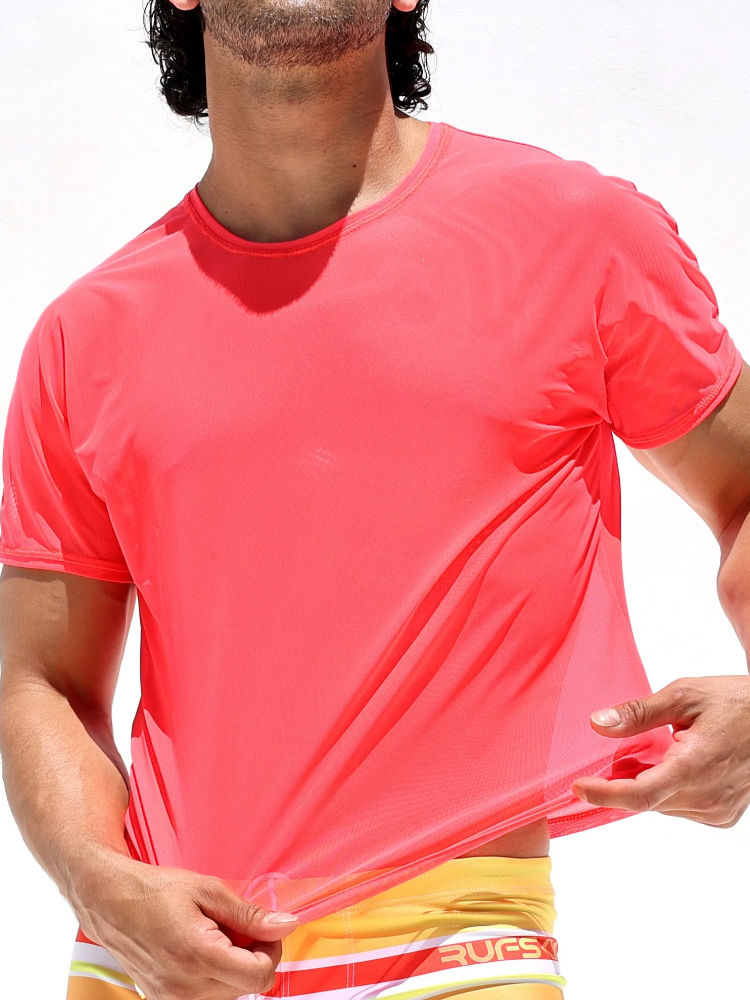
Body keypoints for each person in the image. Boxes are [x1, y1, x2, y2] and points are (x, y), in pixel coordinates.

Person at [2, 2, 750, 999]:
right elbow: (42, 680)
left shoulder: (577, 234)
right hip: (154, 958)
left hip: (451, 944)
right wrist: (95, 885)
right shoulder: (84, 336)